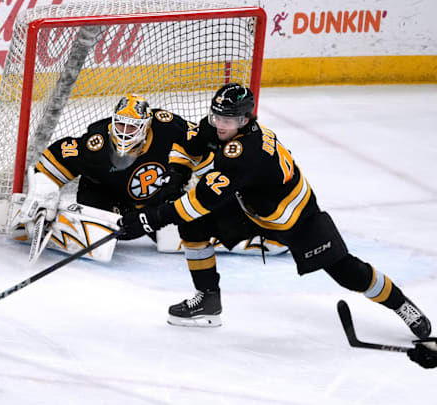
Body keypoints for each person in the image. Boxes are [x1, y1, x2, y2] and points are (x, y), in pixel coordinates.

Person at [118, 83, 432, 339]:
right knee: (193, 228)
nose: (219, 124)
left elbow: (202, 201)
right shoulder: (220, 128)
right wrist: (176, 175)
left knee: (347, 271)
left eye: (227, 119)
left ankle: (401, 304)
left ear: (244, 120)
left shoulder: (246, 152)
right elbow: (190, 143)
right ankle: (208, 300)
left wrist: (150, 218)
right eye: (216, 116)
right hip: (250, 208)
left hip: (296, 218)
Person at [10, 94, 286, 261]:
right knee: (100, 241)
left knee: (170, 239)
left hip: (158, 202)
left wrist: (212, 184)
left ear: (147, 124)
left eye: (132, 126)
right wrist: (44, 193)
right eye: (119, 124)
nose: (124, 131)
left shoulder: (167, 127)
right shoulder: (95, 143)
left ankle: (256, 236)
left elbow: (201, 146)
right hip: (108, 198)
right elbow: (52, 161)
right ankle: (44, 225)